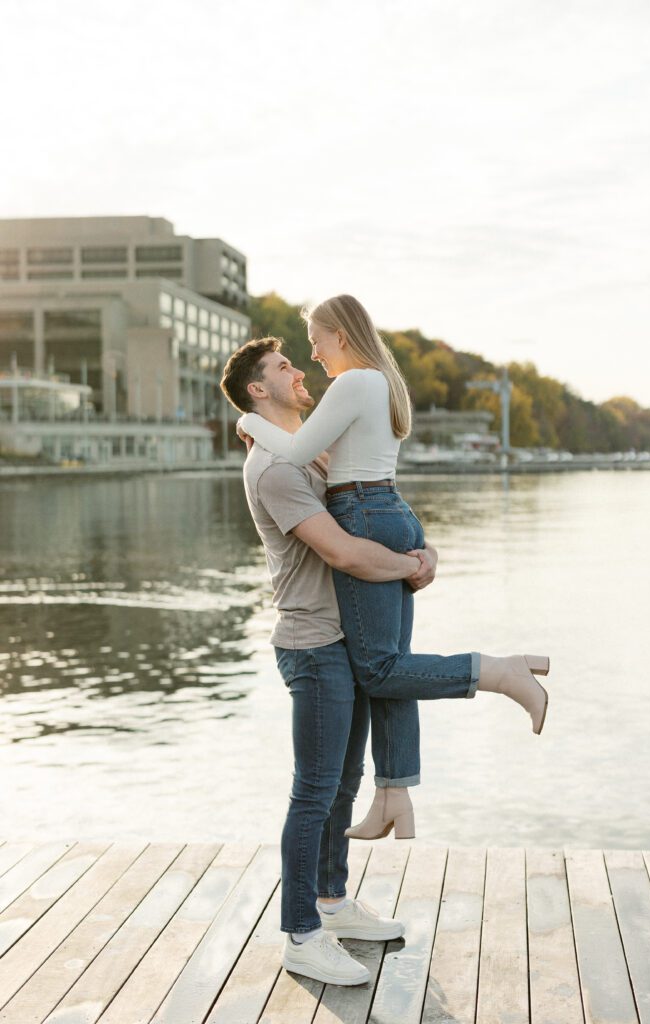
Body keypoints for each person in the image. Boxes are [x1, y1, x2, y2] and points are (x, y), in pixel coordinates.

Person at [220, 335, 550, 986]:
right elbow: (342, 552)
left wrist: (421, 556)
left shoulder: (309, 449)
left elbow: (370, 509)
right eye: (283, 367)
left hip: (347, 643)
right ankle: (301, 934)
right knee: (313, 793)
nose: (298, 369)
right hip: (313, 647)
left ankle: (331, 902)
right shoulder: (276, 468)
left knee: (340, 787)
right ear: (259, 389)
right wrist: (407, 565)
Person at [237, 295, 550, 842]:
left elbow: (293, 450)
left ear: (340, 333)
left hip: (364, 512)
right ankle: (393, 793)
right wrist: (417, 550)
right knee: (393, 666)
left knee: (380, 670)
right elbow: (329, 460)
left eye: (315, 340)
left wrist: (248, 423)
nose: (312, 353)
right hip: (385, 505)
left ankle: (501, 672)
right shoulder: (381, 382)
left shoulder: (353, 383)